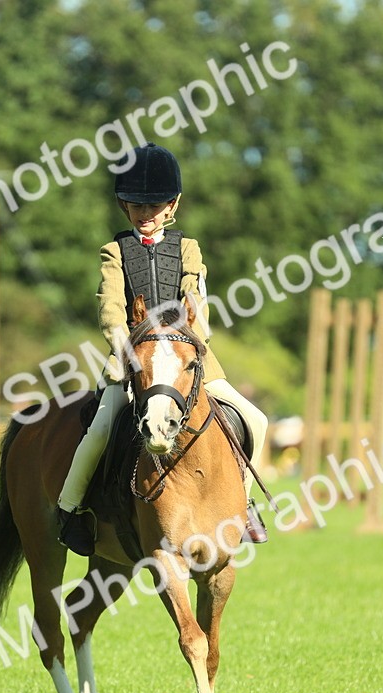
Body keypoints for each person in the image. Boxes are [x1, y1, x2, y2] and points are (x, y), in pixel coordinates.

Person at [56, 142, 269, 556]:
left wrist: (195, 336)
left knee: (256, 420)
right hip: (133, 360)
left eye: (155, 205)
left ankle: (242, 507)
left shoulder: (188, 248)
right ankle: (70, 510)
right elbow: (111, 307)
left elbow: (195, 291)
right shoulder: (114, 251)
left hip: (185, 359)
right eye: (137, 205)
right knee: (99, 430)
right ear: (124, 205)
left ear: (173, 206)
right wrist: (124, 349)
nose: (146, 213)